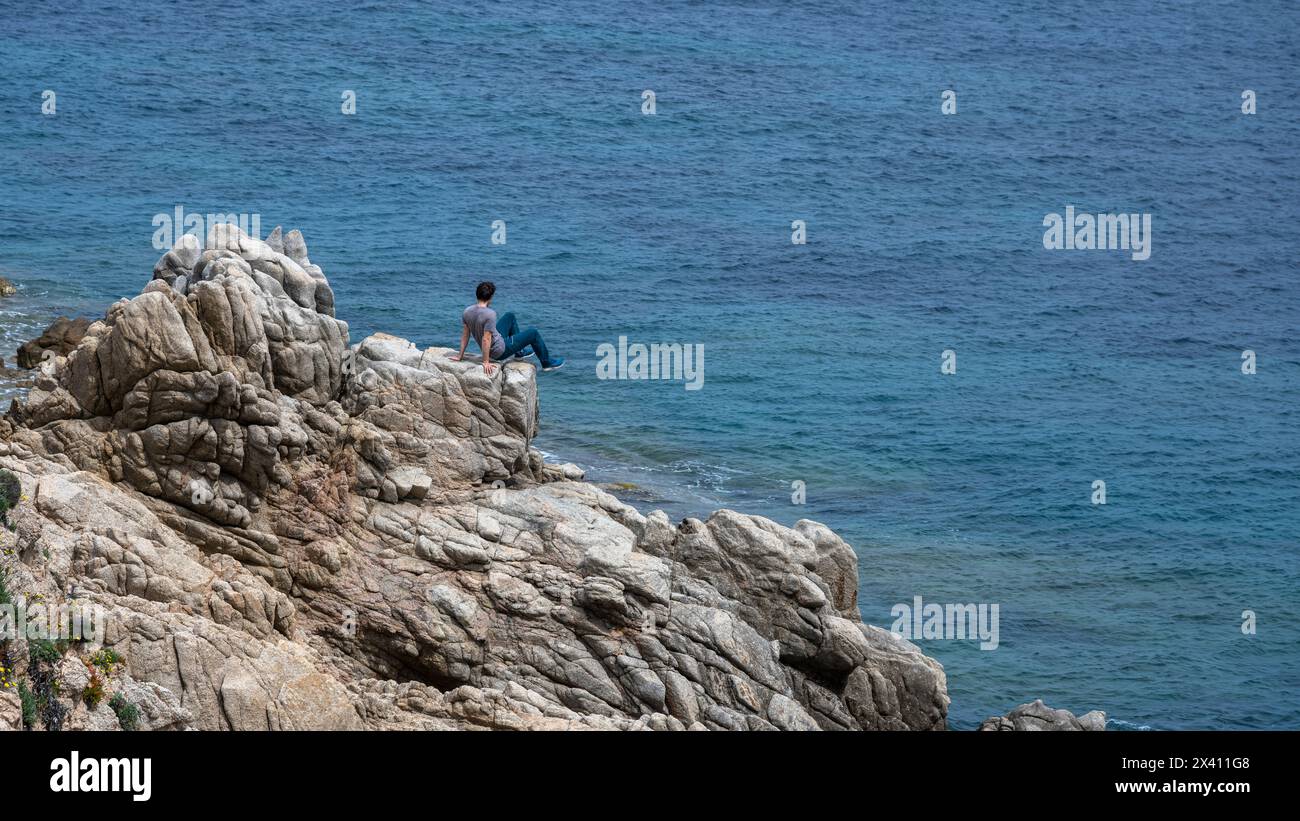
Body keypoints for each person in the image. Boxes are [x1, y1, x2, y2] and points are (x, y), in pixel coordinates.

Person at [450, 281, 564, 375]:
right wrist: (486, 361)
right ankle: (546, 363)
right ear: (491, 297)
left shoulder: (467, 311)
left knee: (510, 316)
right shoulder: (490, 314)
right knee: (533, 333)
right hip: (499, 351)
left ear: (477, 295)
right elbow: (486, 339)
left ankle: (520, 352)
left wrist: (460, 355)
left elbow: (465, 335)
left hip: (494, 343)